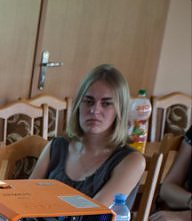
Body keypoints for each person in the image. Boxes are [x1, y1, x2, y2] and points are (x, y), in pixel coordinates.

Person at [29, 64, 146, 205]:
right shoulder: (56, 146)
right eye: (88, 101)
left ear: (119, 110)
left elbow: (92, 213)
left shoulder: (132, 160)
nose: (94, 110)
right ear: (79, 105)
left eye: (106, 104)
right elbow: (25, 198)